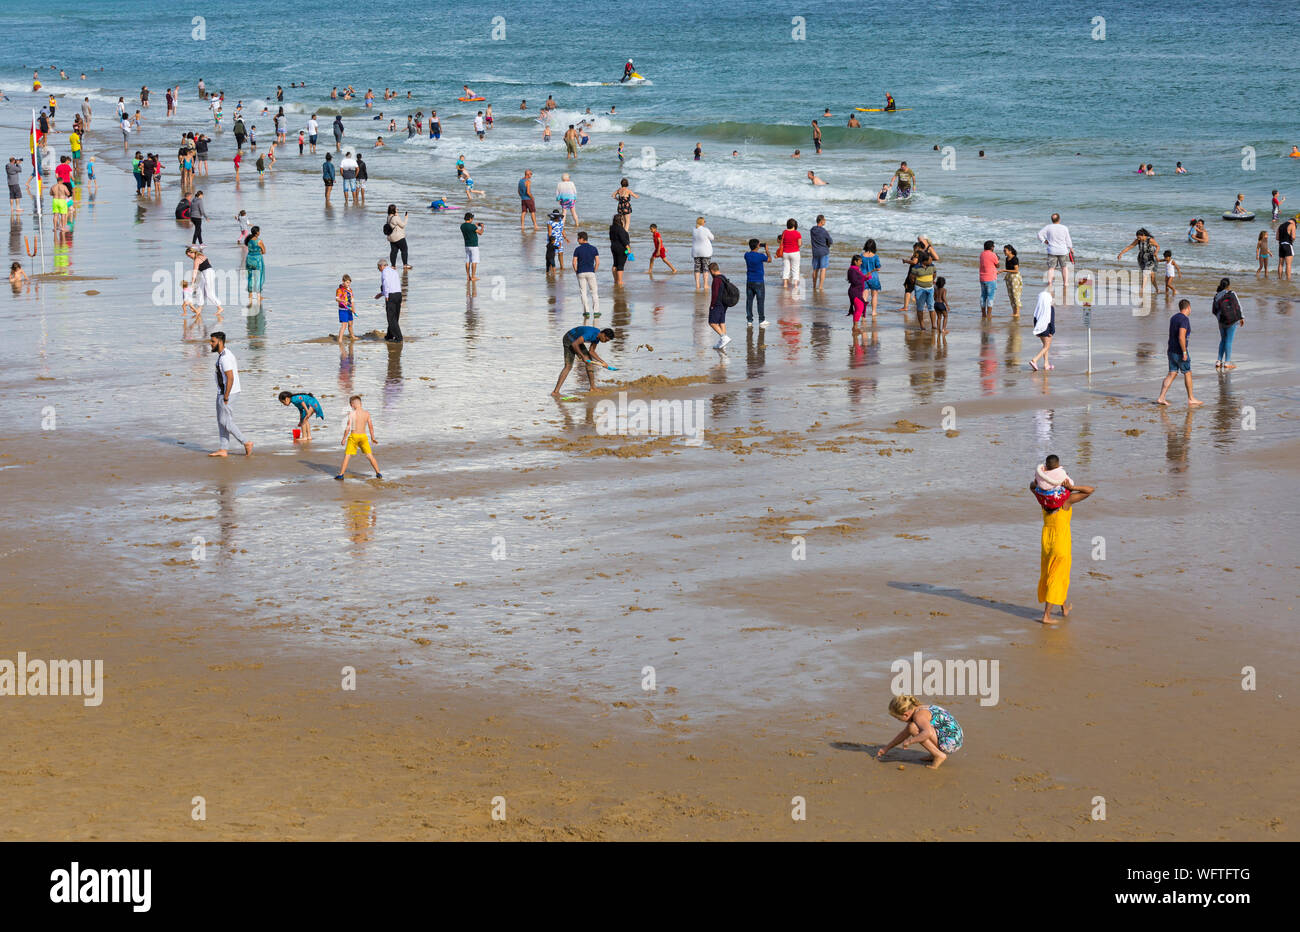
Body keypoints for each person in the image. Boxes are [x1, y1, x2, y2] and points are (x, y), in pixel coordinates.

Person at [1034, 471, 1096, 625]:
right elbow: (1090, 490)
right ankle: (1046, 616)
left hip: (1046, 541)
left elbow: (1032, 485)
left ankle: (1064, 608)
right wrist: (1071, 487)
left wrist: (1044, 483)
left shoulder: (1044, 500)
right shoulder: (1065, 502)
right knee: (1057, 576)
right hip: (1061, 542)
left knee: (1053, 573)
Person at [875, 694, 961, 770]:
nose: (899, 720)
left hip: (950, 743)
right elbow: (904, 733)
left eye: (898, 718)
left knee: (913, 728)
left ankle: (938, 755)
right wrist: (886, 748)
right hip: (955, 738)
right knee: (912, 727)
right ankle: (934, 754)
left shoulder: (919, 716)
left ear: (906, 714)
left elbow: (928, 733)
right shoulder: (922, 708)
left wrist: (910, 741)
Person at [208, 332, 254, 457]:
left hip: (228, 393)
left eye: (213, 341)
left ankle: (246, 442)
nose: (210, 344)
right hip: (223, 392)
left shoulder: (225, 357)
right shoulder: (223, 354)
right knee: (221, 421)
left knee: (225, 421)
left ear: (220, 342)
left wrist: (226, 396)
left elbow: (230, 378)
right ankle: (223, 449)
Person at [1156, 299, 1202, 406]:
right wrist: (1184, 352)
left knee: (1172, 373)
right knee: (1187, 372)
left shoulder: (1173, 318)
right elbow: (1181, 337)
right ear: (1188, 307)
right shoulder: (1184, 319)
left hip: (1171, 350)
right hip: (1179, 351)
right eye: (1190, 308)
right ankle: (1191, 398)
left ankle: (1161, 397)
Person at [551, 326, 615, 396]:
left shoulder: (597, 337)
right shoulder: (589, 334)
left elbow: (591, 351)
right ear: (603, 334)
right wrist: (582, 355)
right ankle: (555, 392)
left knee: (589, 362)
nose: (605, 342)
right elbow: (574, 344)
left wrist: (602, 362)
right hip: (569, 338)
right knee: (568, 366)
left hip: (576, 341)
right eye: (606, 340)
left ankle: (593, 387)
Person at [335, 395, 382, 480]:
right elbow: (371, 426)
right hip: (363, 437)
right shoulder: (366, 413)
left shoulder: (352, 413)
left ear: (352, 405)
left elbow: (348, 427)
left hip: (354, 437)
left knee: (347, 456)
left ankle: (341, 474)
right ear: (361, 403)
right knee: (369, 455)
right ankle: (378, 473)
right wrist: (372, 437)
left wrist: (344, 439)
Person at [1211, 277, 1244, 370]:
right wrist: (1241, 317)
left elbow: (1214, 310)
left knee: (1223, 340)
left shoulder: (1217, 295)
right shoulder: (1232, 293)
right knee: (1229, 341)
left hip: (1221, 321)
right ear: (1228, 285)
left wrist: (1219, 319)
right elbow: (1238, 306)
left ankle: (1218, 361)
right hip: (1232, 321)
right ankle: (1227, 362)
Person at [1117, 228, 1159, 299]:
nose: (1138, 239)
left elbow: (1157, 246)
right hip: (1141, 259)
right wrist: (1121, 253)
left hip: (1150, 259)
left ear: (1143, 235)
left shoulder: (1150, 240)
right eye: (1137, 237)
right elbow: (1130, 246)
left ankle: (1142, 290)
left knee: (1146, 274)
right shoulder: (1138, 241)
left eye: (1139, 237)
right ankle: (1157, 289)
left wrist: (1156, 252)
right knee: (1151, 276)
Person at [1036, 213, 1073, 292]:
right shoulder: (1064, 228)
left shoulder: (1048, 227)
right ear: (1059, 219)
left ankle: (1050, 283)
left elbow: (1039, 234)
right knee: (1064, 267)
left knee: (1051, 268)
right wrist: (1071, 248)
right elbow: (1068, 239)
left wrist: (1044, 241)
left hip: (1052, 250)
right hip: (1063, 250)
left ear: (1051, 220)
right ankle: (1065, 283)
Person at [572, 230, 601, 317]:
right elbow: (597, 262)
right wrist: (594, 270)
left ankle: (586, 311)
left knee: (583, 292)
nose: (577, 240)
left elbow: (574, 262)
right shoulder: (594, 248)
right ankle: (596, 312)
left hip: (581, 272)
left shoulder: (577, 249)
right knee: (594, 292)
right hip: (590, 272)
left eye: (578, 238)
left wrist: (576, 271)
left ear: (582, 239)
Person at [744, 238, 771, 327]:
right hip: (759, 281)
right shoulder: (761, 256)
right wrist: (767, 250)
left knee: (749, 301)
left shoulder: (746, 255)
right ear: (757, 246)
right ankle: (761, 320)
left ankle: (749, 320)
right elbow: (769, 260)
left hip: (749, 281)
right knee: (760, 301)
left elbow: (750, 253)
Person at [707, 262, 733, 349]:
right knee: (722, 322)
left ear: (711, 271)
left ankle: (724, 337)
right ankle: (723, 342)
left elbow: (715, 294)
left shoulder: (716, 280)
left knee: (712, 322)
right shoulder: (723, 277)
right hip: (724, 303)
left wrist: (712, 305)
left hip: (717, 303)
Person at [376, 259, 403, 341]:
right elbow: (394, 283)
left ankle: (398, 337)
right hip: (398, 294)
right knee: (395, 316)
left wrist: (386, 294)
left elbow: (386, 283)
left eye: (378, 267)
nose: (378, 270)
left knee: (391, 318)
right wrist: (381, 294)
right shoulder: (393, 271)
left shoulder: (385, 272)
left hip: (391, 295)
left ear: (381, 266)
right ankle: (389, 335)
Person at [1029, 287, 1055, 371]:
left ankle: (1046, 364)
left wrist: (1037, 331)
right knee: (1047, 346)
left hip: (1040, 329)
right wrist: (1052, 331)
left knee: (1045, 346)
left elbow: (1035, 318)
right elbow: (1051, 321)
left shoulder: (1038, 309)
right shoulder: (1050, 308)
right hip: (1047, 329)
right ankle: (1034, 360)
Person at [911, 252, 937, 330]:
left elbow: (934, 275)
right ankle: (922, 325)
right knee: (920, 308)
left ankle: (933, 325)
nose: (931, 261)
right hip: (919, 289)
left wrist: (931, 281)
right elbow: (911, 277)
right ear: (924, 261)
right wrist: (917, 284)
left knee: (931, 307)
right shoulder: (915, 268)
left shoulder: (932, 267)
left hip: (930, 289)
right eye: (930, 259)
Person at [243, 226, 266, 306]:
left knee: (250, 277)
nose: (260, 232)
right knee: (258, 278)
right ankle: (258, 296)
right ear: (257, 233)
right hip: (257, 260)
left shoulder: (248, 240)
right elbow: (264, 251)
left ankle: (250, 295)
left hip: (249, 259)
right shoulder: (259, 241)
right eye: (259, 231)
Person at [808, 215, 832, 290]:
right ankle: (820, 287)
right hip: (823, 251)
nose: (825, 221)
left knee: (815, 269)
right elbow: (830, 241)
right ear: (821, 221)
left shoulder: (812, 230)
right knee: (823, 269)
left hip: (815, 252)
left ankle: (814, 285)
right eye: (824, 220)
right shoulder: (824, 231)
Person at [691, 216, 715, 290]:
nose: (705, 223)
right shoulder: (705, 230)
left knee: (697, 268)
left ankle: (697, 285)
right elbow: (712, 238)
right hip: (705, 251)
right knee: (705, 268)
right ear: (702, 222)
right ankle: (705, 284)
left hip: (696, 251)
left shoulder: (694, 230)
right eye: (704, 221)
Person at [778, 219, 802, 288]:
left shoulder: (784, 232)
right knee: (795, 268)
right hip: (795, 252)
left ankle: (785, 284)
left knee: (786, 268)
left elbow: (782, 242)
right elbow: (799, 244)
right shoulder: (797, 233)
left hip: (785, 252)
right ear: (795, 225)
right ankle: (795, 285)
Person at [978, 240, 999, 316]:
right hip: (990, 278)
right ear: (991, 247)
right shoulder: (993, 255)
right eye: (993, 246)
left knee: (983, 296)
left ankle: (983, 313)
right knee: (990, 296)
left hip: (982, 277)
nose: (994, 247)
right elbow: (997, 265)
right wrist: (997, 258)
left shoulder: (982, 254)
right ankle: (989, 314)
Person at [461, 211, 484, 282]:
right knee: (474, 261)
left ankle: (468, 276)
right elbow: (480, 233)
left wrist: (475, 225)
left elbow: (470, 229)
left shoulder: (462, 226)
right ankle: (473, 276)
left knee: (467, 261)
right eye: (472, 218)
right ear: (470, 218)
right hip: (474, 245)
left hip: (467, 245)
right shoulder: (472, 226)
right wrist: (482, 227)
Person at [846, 254, 867, 330]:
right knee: (860, 308)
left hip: (857, 291)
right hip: (854, 292)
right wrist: (863, 279)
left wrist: (866, 277)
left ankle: (855, 327)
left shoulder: (857, 270)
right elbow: (854, 280)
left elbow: (860, 279)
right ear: (855, 261)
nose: (861, 263)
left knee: (859, 308)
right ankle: (855, 327)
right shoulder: (852, 270)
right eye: (860, 261)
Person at [386, 204, 410, 268]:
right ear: (393, 210)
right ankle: (405, 264)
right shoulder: (395, 218)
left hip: (391, 237)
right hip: (399, 237)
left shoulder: (388, 217)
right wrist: (406, 218)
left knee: (394, 251)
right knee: (404, 249)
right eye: (396, 209)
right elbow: (403, 225)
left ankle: (393, 265)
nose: (397, 210)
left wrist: (397, 215)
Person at [609, 214, 630, 286]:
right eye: (622, 219)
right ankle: (620, 281)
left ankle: (615, 280)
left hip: (613, 247)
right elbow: (623, 239)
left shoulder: (612, 228)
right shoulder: (620, 229)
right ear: (620, 220)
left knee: (615, 264)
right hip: (621, 248)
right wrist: (628, 247)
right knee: (620, 265)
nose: (623, 221)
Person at [1002, 244, 1022, 317]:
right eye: (1003, 250)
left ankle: (1017, 312)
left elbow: (1016, 270)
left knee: (1015, 294)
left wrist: (1004, 270)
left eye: (1005, 250)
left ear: (1010, 251)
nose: (1004, 252)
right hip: (1009, 277)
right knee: (1010, 295)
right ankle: (1014, 312)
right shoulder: (1007, 258)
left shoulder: (1014, 258)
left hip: (1015, 277)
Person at [336, 273, 355, 343]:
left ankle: (352, 336)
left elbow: (352, 300)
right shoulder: (340, 290)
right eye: (347, 282)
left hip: (349, 309)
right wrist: (343, 300)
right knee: (344, 325)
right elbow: (337, 299)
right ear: (343, 281)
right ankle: (340, 339)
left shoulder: (350, 290)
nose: (348, 284)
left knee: (350, 324)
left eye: (349, 283)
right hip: (343, 310)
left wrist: (353, 309)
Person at [546, 209, 567, 273]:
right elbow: (549, 232)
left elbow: (562, 230)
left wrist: (565, 237)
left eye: (557, 216)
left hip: (560, 239)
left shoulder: (561, 221)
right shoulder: (550, 222)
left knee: (560, 253)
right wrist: (550, 241)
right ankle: (551, 268)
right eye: (556, 216)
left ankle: (562, 267)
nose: (557, 218)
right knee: (552, 254)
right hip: (552, 239)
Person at [1277, 216, 1296, 281]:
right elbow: (1293, 237)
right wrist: (1292, 240)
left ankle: (1279, 278)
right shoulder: (1292, 225)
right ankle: (1288, 279)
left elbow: (1277, 238)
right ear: (1294, 222)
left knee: (1280, 264)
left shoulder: (1280, 226)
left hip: (1281, 245)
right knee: (1288, 264)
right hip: (1288, 245)